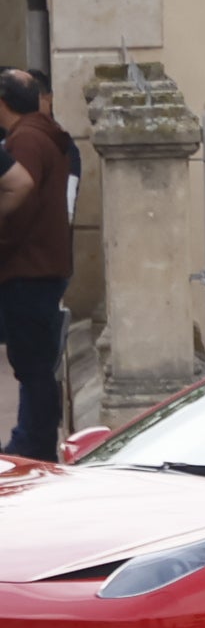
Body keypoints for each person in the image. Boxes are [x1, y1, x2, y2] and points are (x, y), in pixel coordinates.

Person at [0, 68, 75, 460]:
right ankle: (36, 436)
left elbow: (21, 201)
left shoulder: (26, 139)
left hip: (28, 266)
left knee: (32, 363)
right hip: (44, 264)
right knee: (38, 362)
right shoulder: (44, 132)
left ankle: (32, 440)